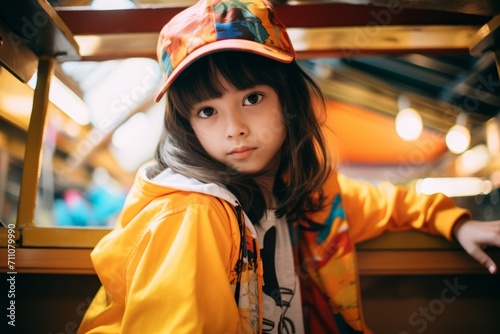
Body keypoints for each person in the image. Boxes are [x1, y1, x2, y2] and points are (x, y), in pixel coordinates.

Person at [78, 0, 500, 333]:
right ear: (186, 125)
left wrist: (458, 223)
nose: (234, 130)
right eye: (207, 111)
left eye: (252, 98)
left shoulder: (302, 193)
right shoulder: (196, 215)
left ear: (288, 98)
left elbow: (388, 202)